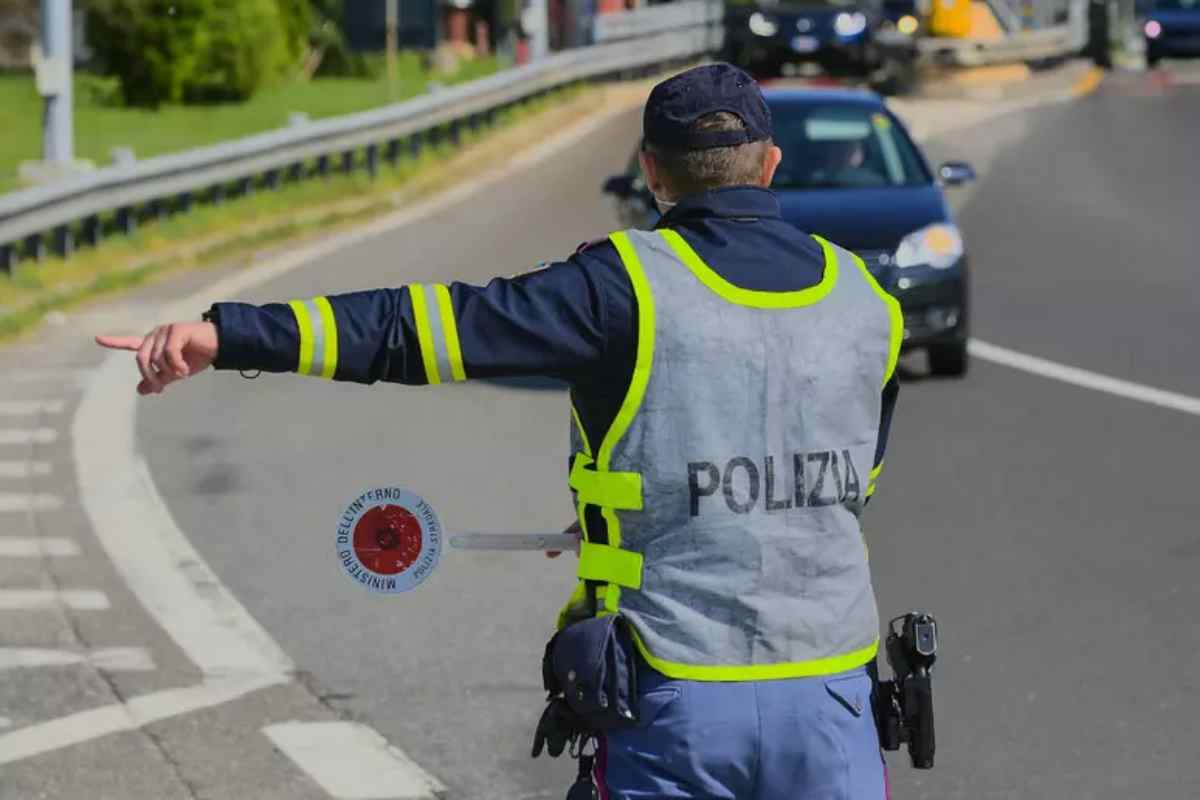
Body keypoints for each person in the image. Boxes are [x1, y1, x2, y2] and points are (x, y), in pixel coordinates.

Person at [97, 63, 901, 799]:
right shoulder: (869, 299)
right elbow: (835, 484)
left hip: (676, 693)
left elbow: (421, 332)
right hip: (833, 701)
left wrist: (228, 334)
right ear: (770, 165)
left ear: (653, 173)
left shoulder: (621, 285)